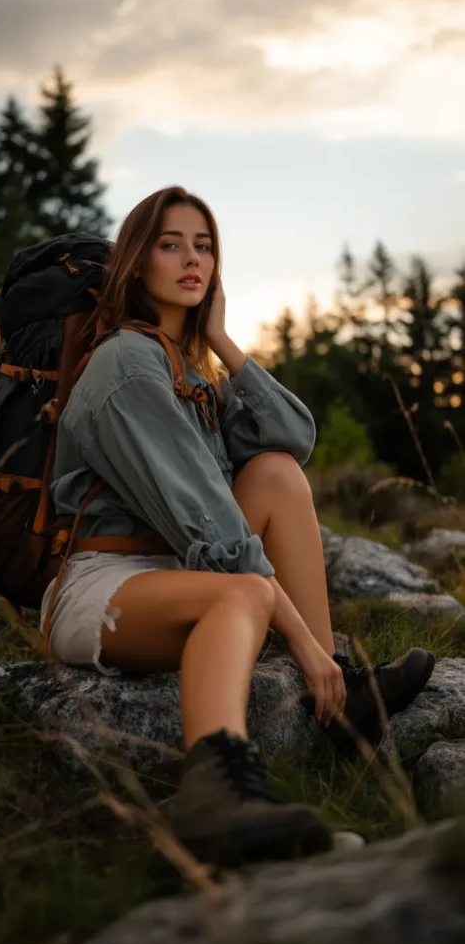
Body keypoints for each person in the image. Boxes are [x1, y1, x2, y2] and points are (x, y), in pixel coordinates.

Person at [41, 186, 435, 868]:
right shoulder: (128, 365)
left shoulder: (189, 365)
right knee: (243, 591)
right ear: (136, 265)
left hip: (177, 570)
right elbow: (215, 533)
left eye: (205, 245)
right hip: (103, 588)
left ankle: (343, 694)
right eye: (171, 244)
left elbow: (293, 436)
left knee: (276, 473)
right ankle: (215, 792)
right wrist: (303, 643)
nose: (193, 259)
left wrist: (221, 337)